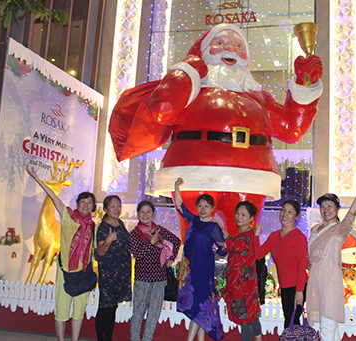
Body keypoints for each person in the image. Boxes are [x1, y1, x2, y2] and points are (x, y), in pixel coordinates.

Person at [109, 23, 324, 237]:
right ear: (203, 52)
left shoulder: (259, 96)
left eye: (239, 46)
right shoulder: (192, 87)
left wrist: (305, 85)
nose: (230, 50)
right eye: (220, 43)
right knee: (194, 238)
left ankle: (242, 272)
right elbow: (163, 109)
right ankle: (190, 270)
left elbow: (291, 130)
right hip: (195, 172)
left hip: (250, 174)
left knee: (243, 240)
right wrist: (187, 69)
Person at [26, 164, 96, 341]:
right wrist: (37, 179)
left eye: (90, 202)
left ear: (93, 206)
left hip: (83, 272)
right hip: (65, 270)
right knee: (62, 309)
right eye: (83, 202)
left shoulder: (92, 225)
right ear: (78, 204)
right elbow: (52, 196)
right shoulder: (68, 216)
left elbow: (93, 251)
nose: (86, 205)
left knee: (79, 310)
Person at [307, 169, 356, 341]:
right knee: (332, 330)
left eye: (330, 206)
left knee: (326, 329)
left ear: (337, 208)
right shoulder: (315, 229)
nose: (325, 210)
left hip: (330, 285)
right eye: (322, 206)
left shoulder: (340, 229)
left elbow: (353, 211)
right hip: (315, 283)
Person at [174, 177, 226, 341]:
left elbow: (223, 249)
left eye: (207, 206)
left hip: (203, 272)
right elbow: (179, 205)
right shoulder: (193, 220)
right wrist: (176, 187)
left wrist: (211, 256)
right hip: (189, 273)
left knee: (200, 306)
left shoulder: (213, 227)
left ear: (212, 209)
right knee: (198, 307)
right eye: (200, 205)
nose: (203, 209)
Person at [129, 200, 181, 341]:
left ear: (153, 213)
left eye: (148, 211)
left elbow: (176, 241)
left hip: (159, 279)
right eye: (142, 211)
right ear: (138, 213)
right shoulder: (134, 234)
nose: (145, 215)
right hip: (142, 280)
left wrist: (172, 259)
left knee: (153, 314)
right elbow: (138, 255)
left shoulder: (159, 230)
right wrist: (152, 243)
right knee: (138, 314)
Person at [254, 200, 308, 329]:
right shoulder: (274, 236)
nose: (285, 214)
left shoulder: (299, 237)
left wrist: (300, 291)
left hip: (298, 285)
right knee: (290, 322)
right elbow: (258, 254)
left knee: (291, 323)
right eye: (283, 210)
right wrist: (256, 234)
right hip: (284, 286)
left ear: (296, 216)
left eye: (290, 212)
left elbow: (302, 265)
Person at [95, 195, 132, 341]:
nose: (116, 209)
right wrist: (109, 240)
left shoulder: (120, 224)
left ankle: (108, 338)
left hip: (121, 272)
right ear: (105, 209)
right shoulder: (104, 228)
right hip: (109, 273)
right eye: (112, 206)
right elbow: (100, 252)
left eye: (118, 206)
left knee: (112, 308)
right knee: (104, 308)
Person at [224, 201, 262, 341]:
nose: (239, 217)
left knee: (244, 319)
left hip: (242, 285)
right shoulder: (243, 234)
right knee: (252, 317)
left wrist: (223, 232)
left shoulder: (246, 236)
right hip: (244, 283)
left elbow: (234, 246)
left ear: (252, 218)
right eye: (238, 213)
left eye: (244, 214)